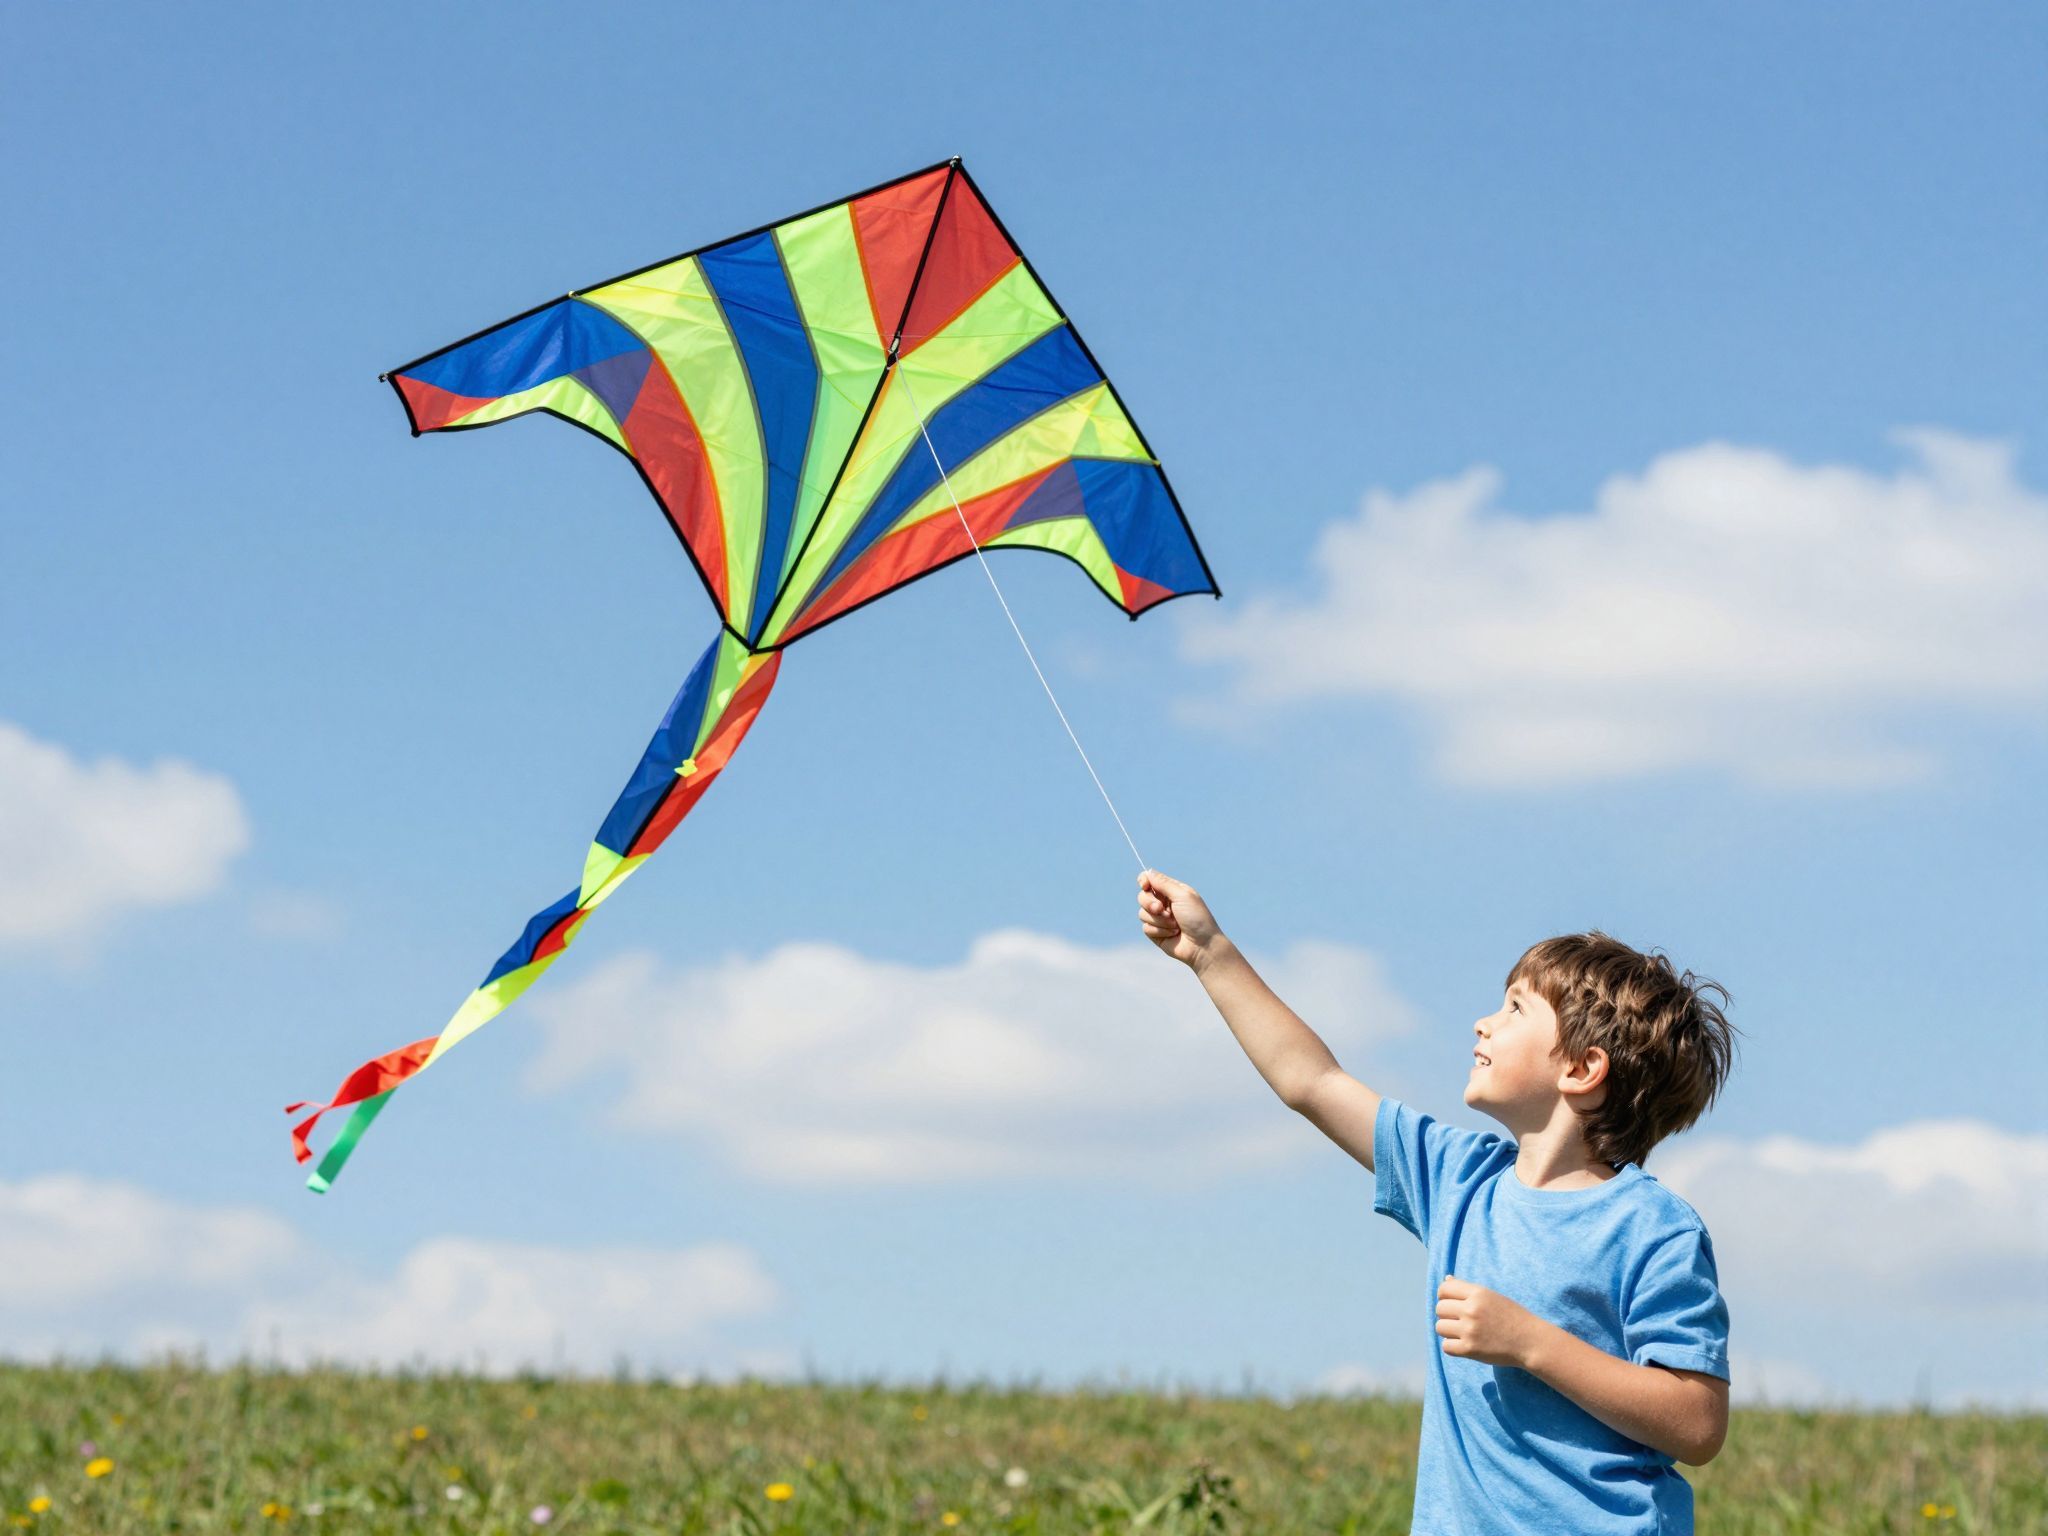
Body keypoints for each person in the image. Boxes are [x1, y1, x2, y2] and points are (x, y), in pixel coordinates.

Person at [1137, 869, 1738, 1536]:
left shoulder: (1652, 1228)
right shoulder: (1460, 1179)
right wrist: (1208, 952)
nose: (1482, 1023)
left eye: (1514, 1009)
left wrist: (1531, 1342)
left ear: (1580, 1069)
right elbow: (1311, 1079)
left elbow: (1698, 1422)